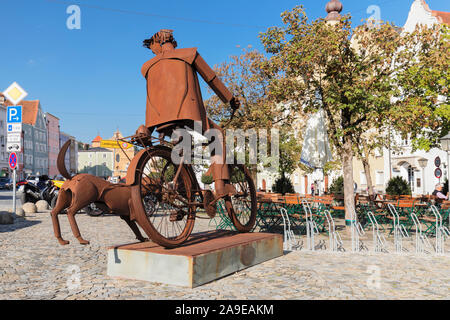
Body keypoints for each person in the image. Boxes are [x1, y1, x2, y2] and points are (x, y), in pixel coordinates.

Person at [141, 29, 240, 200]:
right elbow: (212, 79)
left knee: (181, 146)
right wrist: (230, 99)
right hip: (188, 112)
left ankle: (184, 191)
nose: (153, 53)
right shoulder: (189, 54)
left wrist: (149, 127)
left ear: (157, 44)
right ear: (173, 41)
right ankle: (220, 185)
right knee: (216, 134)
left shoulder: (146, 67)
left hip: (158, 120)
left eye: (153, 49)